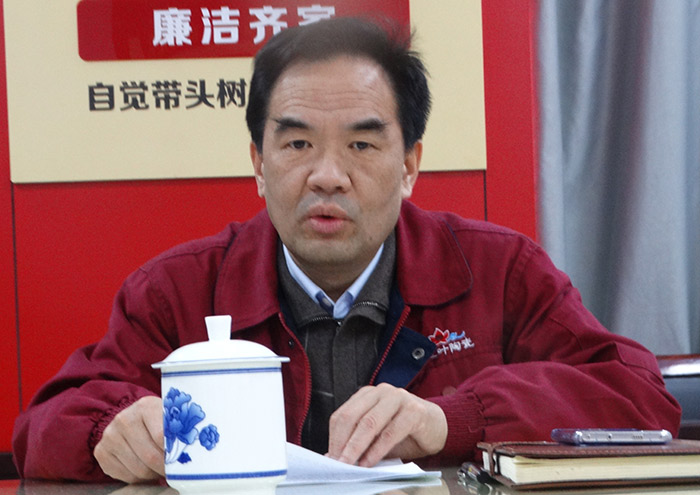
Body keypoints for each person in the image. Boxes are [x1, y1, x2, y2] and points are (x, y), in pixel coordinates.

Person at [13, 17, 680, 483]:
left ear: (410, 164)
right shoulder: (179, 289)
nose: (327, 175)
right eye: (298, 143)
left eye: (361, 144)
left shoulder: (498, 271)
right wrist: (109, 431)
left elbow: (640, 396)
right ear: (259, 163)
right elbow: (43, 422)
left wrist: (452, 419)